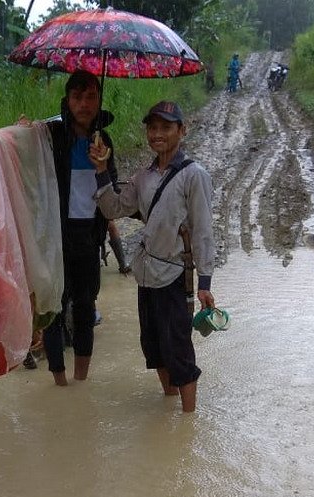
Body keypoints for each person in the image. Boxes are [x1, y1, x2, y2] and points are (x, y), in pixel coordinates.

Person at [89, 100, 216, 413]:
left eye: (166, 127)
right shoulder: (143, 177)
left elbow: (202, 230)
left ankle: (187, 421)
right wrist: (103, 170)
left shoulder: (193, 175)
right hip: (146, 275)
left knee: (179, 349)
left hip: (176, 275)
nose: (157, 133)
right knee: (154, 346)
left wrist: (205, 281)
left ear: (181, 131)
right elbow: (113, 209)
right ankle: (169, 402)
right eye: (153, 127)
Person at [42, 69, 119, 386]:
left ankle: (81, 380)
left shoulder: (105, 139)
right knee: (52, 309)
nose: (84, 104)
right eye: (77, 97)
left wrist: (101, 165)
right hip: (55, 235)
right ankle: (59, 381)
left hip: (88, 234)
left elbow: (111, 191)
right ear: (67, 100)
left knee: (86, 305)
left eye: (90, 97)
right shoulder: (50, 135)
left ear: (99, 100)